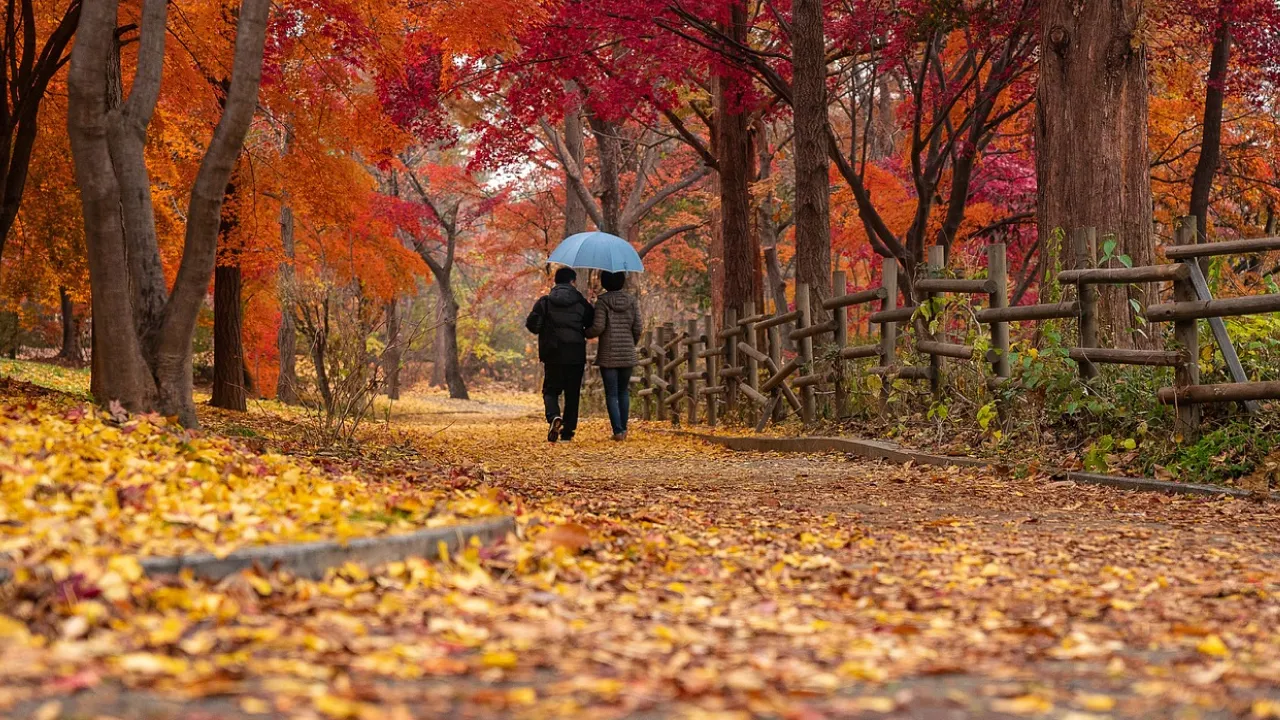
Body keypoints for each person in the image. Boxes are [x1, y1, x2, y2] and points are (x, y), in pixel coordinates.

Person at [525, 267, 594, 442]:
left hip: (553, 353)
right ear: (572, 281)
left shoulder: (545, 302)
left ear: (555, 282)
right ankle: (568, 432)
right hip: (575, 353)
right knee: (572, 393)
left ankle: (554, 416)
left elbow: (532, 325)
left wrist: (545, 329)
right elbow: (591, 322)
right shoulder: (581, 303)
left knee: (550, 390)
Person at [585, 271, 642, 441]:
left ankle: (617, 431)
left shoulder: (603, 302)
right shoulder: (632, 301)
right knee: (624, 391)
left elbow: (598, 328)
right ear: (622, 282)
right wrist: (631, 344)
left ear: (604, 282)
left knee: (612, 394)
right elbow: (638, 327)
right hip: (627, 353)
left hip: (608, 355)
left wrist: (585, 332)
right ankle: (623, 430)